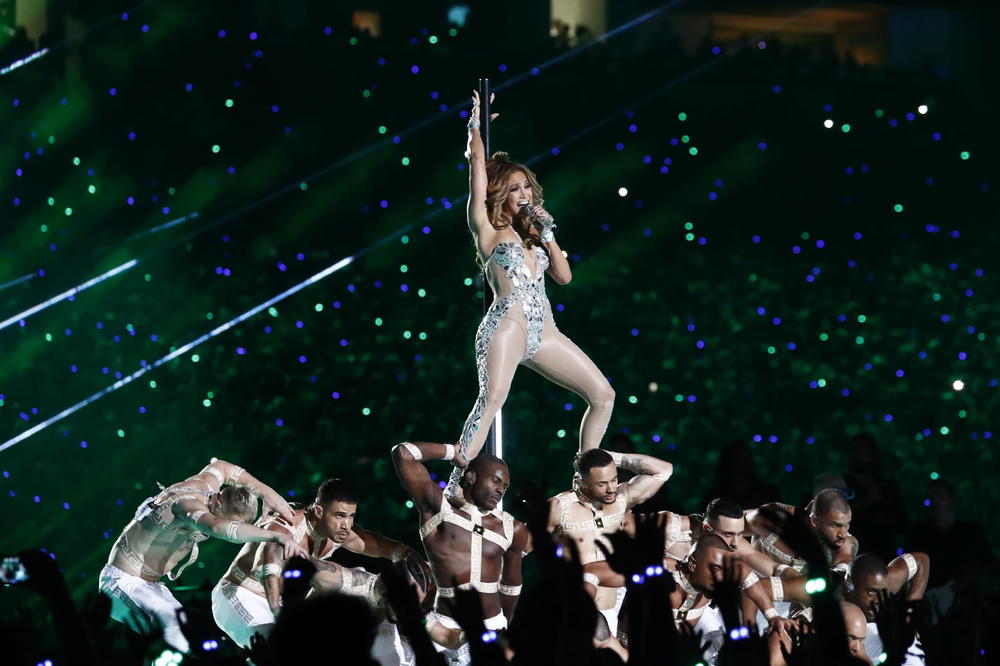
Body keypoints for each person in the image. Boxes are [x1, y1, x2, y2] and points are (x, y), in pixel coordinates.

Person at [445, 90, 615, 493]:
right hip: (506, 327)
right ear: (503, 193)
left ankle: (585, 481)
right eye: (516, 189)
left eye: (527, 188)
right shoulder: (487, 230)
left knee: (603, 394)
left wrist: (549, 236)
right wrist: (476, 127)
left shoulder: (536, 237)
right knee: (492, 400)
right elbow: (477, 174)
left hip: (545, 333)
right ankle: (454, 485)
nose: (524, 195)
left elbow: (565, 278)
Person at [98, 459, 308, 653]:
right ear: (217, 505)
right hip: (121, 581)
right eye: (232, 521)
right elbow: (219, 527)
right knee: (176, 631)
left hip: (148, 584)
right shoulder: (188, 505)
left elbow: (225, 467)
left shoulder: (208, 483)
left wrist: (267, 493)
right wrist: (276, 536)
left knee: (190, 636)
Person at [212, 477, 427, 653]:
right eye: (339, 515)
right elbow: (268, 567)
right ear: (317, 511)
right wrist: (282, 617)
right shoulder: (286, 524)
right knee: (281, 649)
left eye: (351, 516)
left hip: (278, 602)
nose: (346, 525)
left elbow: (393, 549)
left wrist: (425, 567)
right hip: (238, 593)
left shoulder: (339, 533)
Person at [392, 441, 529, 665]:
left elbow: (512, 585)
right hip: (442, 627)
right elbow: (403, 454)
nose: (501, 490)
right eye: (495, 481)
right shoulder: (440, 511)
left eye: (505, 486)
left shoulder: (512, 528)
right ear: (471, 477)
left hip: (492, 628)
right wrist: (452, 453)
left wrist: (505, 624)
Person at [548, 448, 672, 636]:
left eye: (614, 479)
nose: (611, 488)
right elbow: (519, 548)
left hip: (610, 614)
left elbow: (664, 470)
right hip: (569, 613)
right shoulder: (559, 508)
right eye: (602, 483)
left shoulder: (621, 499)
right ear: (581, 482)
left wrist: (615, 458)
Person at [843, 552, 930, 664]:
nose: (877, 601)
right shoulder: (833, 598)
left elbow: (921, 560)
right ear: (848, 587)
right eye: (871, 592)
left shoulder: (887, 581)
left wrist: (909, 614)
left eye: (881, 593)